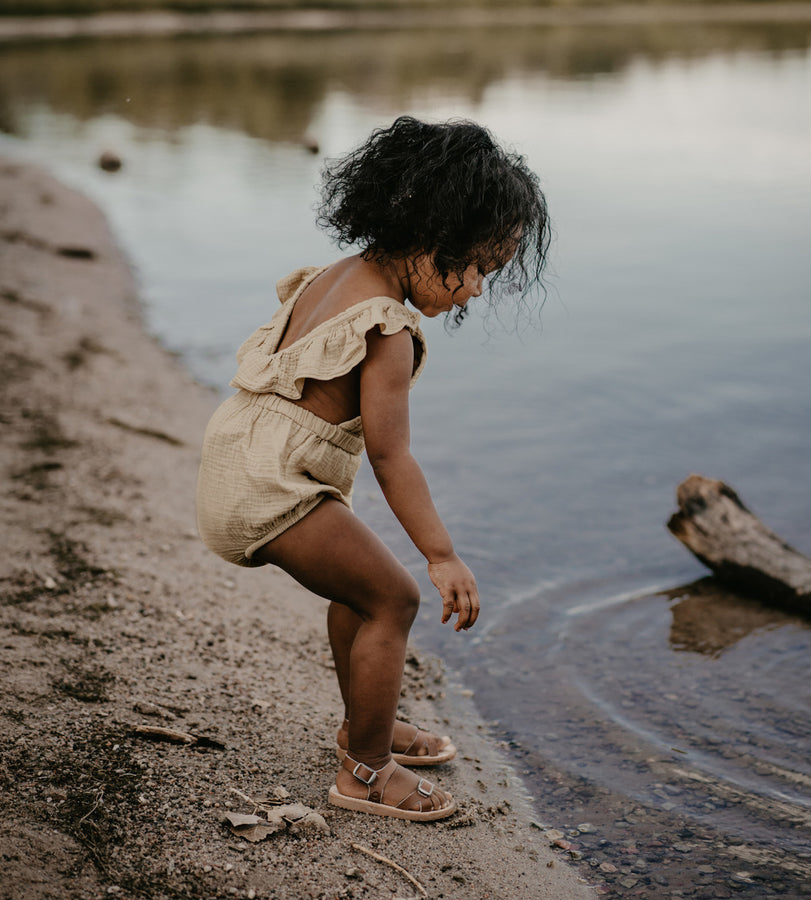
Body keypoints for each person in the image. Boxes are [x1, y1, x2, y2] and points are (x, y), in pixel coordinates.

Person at [196, 116, 550, 821]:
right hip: (273, 485)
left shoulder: (334, 274)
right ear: (432, 236)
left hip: (239, 457)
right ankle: (365, 771)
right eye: (477, 266)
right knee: (396, 598)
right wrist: (441, 556)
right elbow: (392, 455)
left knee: (360, 593)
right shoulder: (387, 327)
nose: (477, 289)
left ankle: (369, 729)